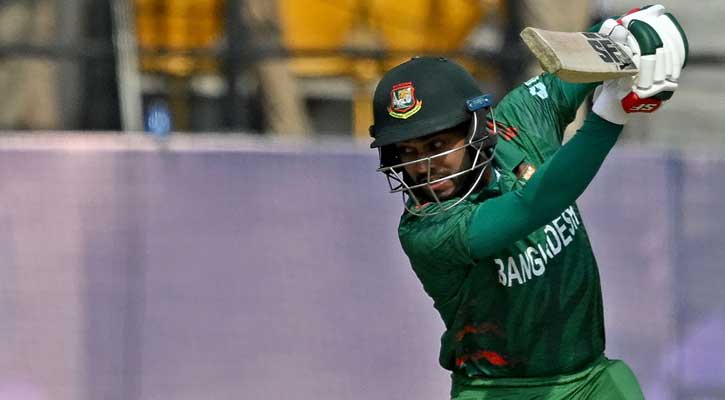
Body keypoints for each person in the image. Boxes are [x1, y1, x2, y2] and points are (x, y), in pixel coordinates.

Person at [368, 5, 688, 399]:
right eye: (408, 152)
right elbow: (531, 207)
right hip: (499, 389)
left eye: (437, 145)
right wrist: (608, 118)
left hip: (592, 380)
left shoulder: (521, 122)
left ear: (479, 127)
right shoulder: (426, 229)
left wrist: (631, 33)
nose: (424, 167)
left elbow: (582, 61)